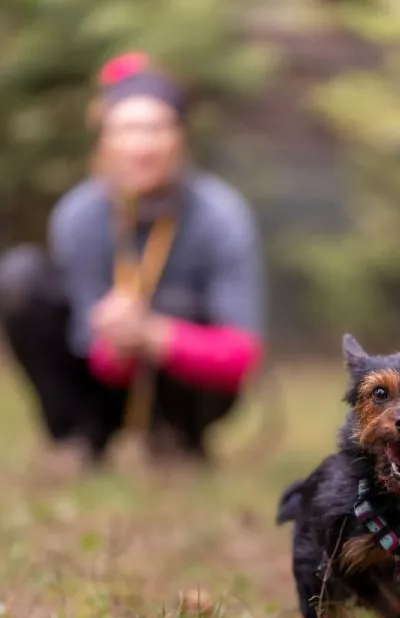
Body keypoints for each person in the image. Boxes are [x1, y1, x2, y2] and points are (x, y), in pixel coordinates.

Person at [0, 57, 265, 472]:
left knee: (181, 308)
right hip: (104, 382)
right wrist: (118, 340)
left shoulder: (221, 214)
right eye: (126, 129)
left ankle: (177, 439)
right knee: (20, 276)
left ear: (180, 136)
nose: (141, 146)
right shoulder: (79, 215)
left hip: (188, 387)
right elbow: (86, 345)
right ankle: (79, 438)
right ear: (104, 139)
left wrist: (159, 335)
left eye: (155, 128)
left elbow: (241, 355)